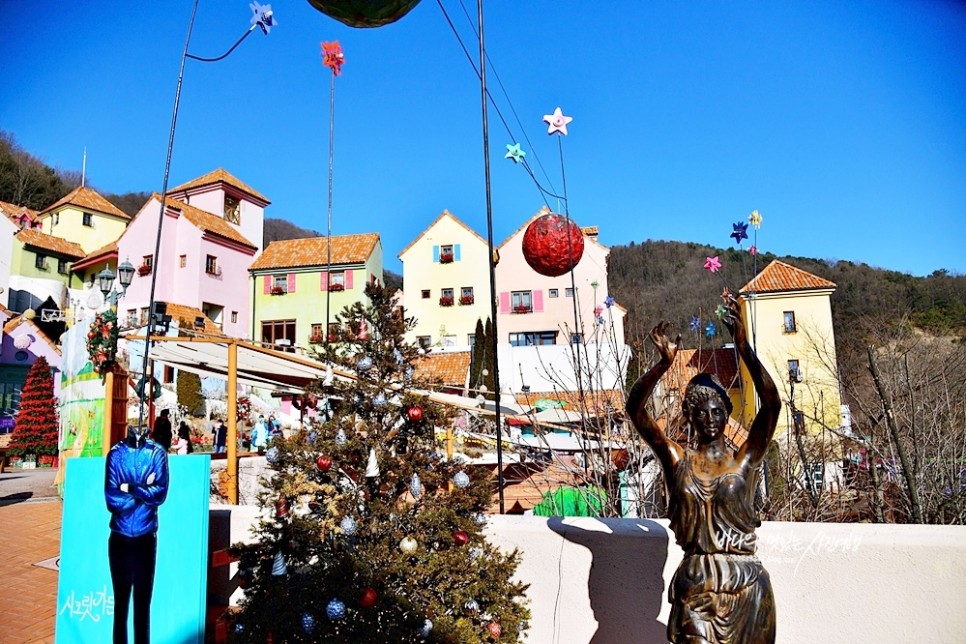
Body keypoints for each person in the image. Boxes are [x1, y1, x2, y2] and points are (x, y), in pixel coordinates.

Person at [625, 299, 781, 644]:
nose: (709, 418)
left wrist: (742, 346)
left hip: (748, 585)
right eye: (700, 412)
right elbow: (635, 411)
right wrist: (662, 366)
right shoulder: (678, 461)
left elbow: (771, 404)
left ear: (727, 414)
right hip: (697, 582)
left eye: (716, 411)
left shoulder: (745, 460)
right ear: (690, 417)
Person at [104, 424, 170, 644]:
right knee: (120, 601)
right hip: (119, 536)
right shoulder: (116, 453)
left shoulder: (156, 453)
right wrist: (143, 490)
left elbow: (160, 493)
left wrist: (130, 488)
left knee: (143, 602)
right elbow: (111, 499)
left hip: (145, 536)